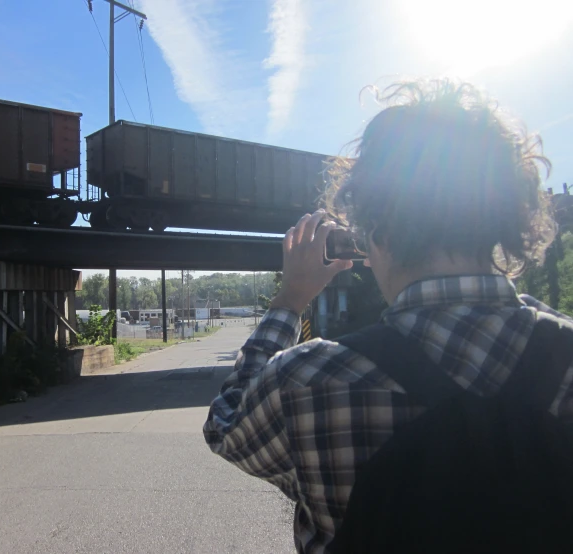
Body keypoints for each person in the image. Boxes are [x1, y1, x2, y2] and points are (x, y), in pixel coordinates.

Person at [203, 79, 573, 553]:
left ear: (373, 229)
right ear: (505, 217)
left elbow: (226, 426)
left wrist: (290, 299)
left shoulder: (306, 381)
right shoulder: (564, 354)